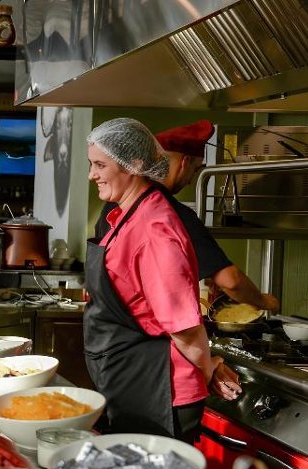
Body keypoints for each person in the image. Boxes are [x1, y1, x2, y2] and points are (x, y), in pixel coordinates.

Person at [84, 117, 233, 443]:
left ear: (135, 164)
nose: (92, 174)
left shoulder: (155, 230)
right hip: (131, 382)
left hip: (160, 392)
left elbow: (184, 329)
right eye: (92, 164)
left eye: (100, 165)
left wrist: (208, 369)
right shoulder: (126, 215)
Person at [94, 119, 280, 313]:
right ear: (184, 163)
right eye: (196, 169)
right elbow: (231, 281)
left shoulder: (114, 203)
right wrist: (263, 301)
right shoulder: (174, 214)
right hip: (143, 328)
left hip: (104, 323)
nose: (191, 180)